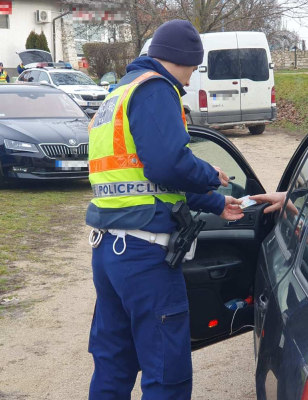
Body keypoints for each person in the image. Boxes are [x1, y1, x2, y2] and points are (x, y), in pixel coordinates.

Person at [86, 20, 242, 399]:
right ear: (183, 59)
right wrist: (211, 176)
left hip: (109, 251)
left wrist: (217, 204)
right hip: (145, 255)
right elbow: (168, 165)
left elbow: (147, 182)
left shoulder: (117, 94)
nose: (189, 80)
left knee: (114, 363)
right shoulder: (157, 90)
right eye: (192, 68)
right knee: (165, 371)